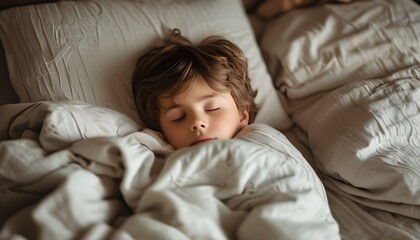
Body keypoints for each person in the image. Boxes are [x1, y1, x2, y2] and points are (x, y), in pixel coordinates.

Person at [132, 28, 258, 149]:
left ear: (242, 115)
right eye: (178, 117)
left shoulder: (266, 142)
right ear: (161, 132)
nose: (197, 122)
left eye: (212, 108)